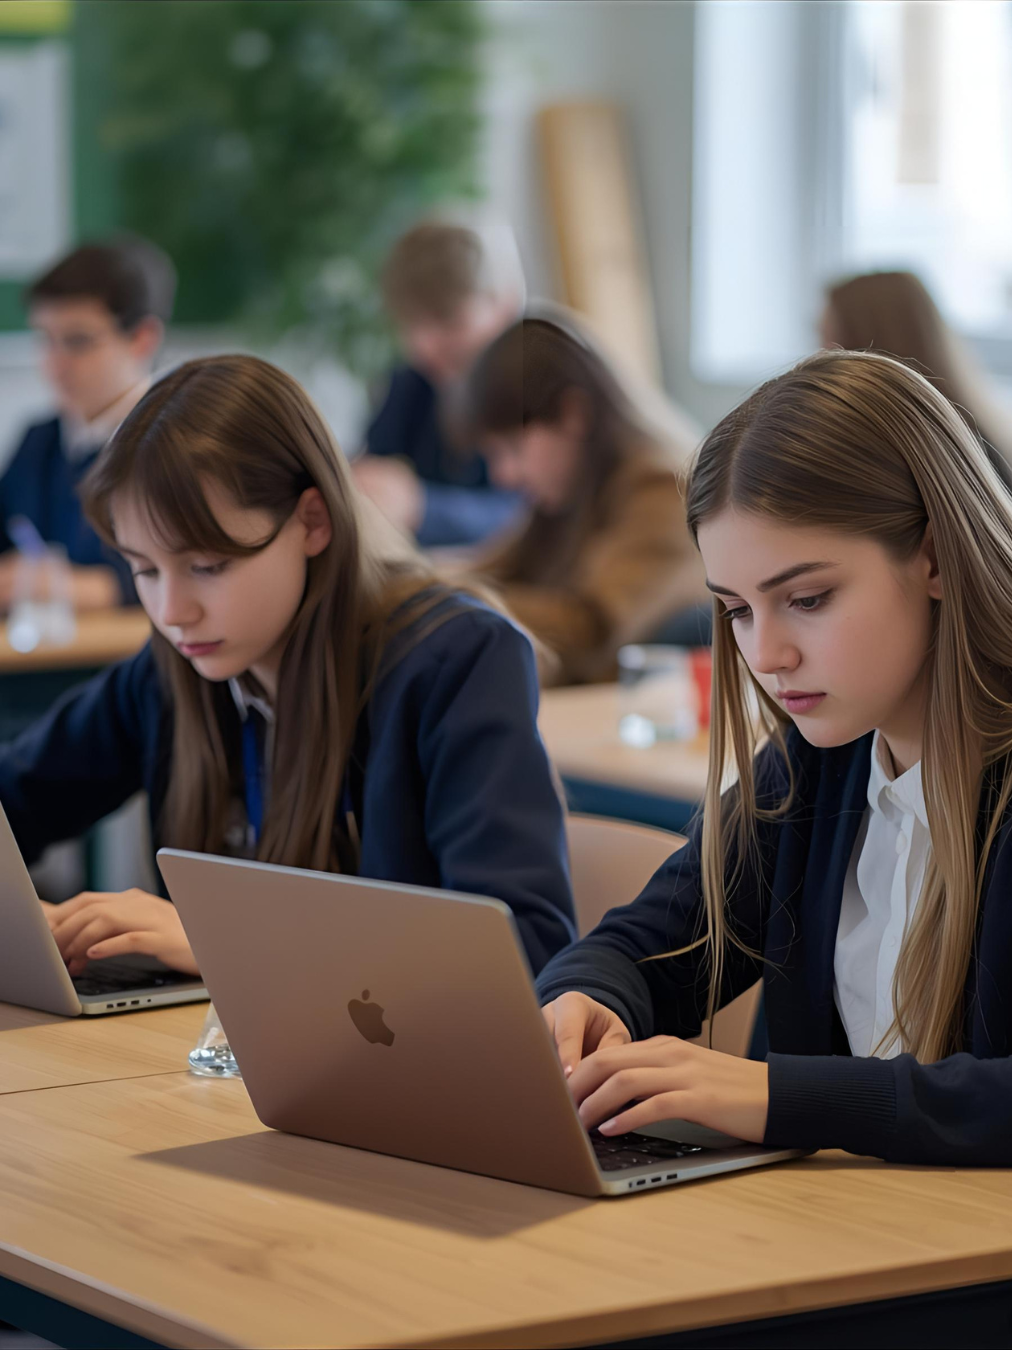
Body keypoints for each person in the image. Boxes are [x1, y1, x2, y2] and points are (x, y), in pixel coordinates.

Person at [537, 349, 1012, 1169]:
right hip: (847, 1236)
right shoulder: (818, 759)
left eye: (808, 599)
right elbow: (652, 942)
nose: (769, 654)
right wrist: (586, 999)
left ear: (934, 557)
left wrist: (778, 1097)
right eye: (737, 612)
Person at [0, 355, 575, 980]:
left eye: (208, 566)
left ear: (312, 521)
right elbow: (17, 798)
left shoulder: (456, 661)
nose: (172, 611)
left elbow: (524, 951)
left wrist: (227, 943)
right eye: (143, 569)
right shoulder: (172, 669)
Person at [458, 315, 703, 686]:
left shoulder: (662, 488)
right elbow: (492, 568)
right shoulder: (574, 488)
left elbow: (591, 629)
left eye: (512, 447)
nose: (503, 474)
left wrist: (444, 600)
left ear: (574, 413)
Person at [821, 270, 1012, 562]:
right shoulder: (982, 424)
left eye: (830, 343)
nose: (818, 359)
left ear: (862, 344)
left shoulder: (933, 448)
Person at [0, 235, 176, 611]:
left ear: (142, 338)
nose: (54, 364)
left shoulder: (177, 448)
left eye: (77, 341)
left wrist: (67, 587)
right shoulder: (40, 442)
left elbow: (192, 570)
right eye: (46, 340)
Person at [354, 220, 525, 548]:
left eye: (450, 321)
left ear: (506, 303)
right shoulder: (413, 380)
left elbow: (533, 514)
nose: (424, 345)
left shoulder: (537, 383)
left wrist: (422, 507)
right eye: (410, 324)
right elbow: (374, 461)